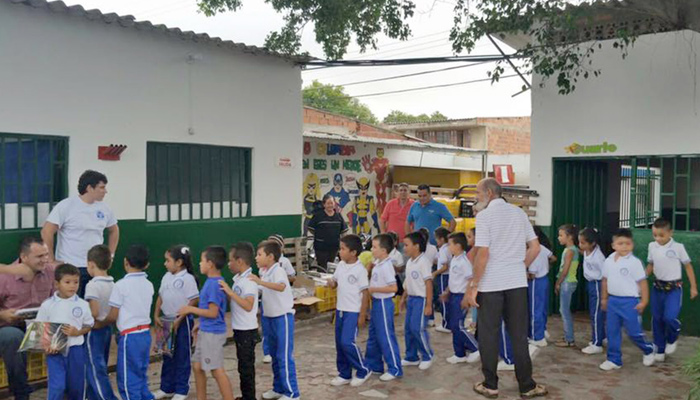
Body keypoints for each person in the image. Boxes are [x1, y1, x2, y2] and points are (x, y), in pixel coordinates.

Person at [466, 178, 546, 399]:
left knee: (489, 335)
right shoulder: (519, 213)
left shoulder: (484, 217)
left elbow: (483, 254)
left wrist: (474, 286)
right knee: (519, 336)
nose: (476, 198)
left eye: (478, 194)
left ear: (490, 193)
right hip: (517, 284)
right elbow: (536, 247)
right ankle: (527, 386)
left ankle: (490, 384)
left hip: (491, 284)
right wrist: (520, 267)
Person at [41, 170, 119, 298]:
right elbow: (47, 231)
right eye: (102, 187)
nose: (105, 191)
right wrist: (50, 259)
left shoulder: (105, 208)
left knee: (94, 306)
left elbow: (114, 230)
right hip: (71, 266)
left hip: (96, 267)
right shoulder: (66, 206)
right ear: (89, 188)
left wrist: (110, 254)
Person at [0, 237, 54, 400]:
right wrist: (2, 314)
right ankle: (22, 393)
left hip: (37, 324)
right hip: (8, 327)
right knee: (13, 338)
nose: (45, 259)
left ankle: (67, 390)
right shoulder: (5, 277)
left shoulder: (50, 272)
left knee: (69, 333)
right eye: (39, 256)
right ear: (24, 257)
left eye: (46, 255)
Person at [178, 247, 234, 400]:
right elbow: (209, 312)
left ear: (210, 263)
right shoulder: (211, 282)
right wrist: (200, 324)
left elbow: (213, 312)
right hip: (206, 330)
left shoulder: (214, 285)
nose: (199, 263)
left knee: (216, 370)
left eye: (202, 260)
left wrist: (190, 309)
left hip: (212, 334)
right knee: (197, 366)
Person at [599, 229, 655, 371]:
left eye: (627, 243)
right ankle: (614, 359)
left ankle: (648, 349)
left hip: (630, 302)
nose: (624, 246)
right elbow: (605, 280)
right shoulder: (609, 261)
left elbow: (643, 283)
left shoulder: (634, 263)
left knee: (633, 332)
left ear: (632, 245)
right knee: (612, 331)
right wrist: (604, 298)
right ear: (613, 245)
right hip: (613, 301)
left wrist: (644, 301)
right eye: (620, 243)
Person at [249, 241, 299, 400]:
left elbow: (281, 287)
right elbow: (261, 290)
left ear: (270, 257)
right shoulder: (265, 272)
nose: (256, 258)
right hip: (269, 317)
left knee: (284, 356)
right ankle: (278, 388)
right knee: (275, 356)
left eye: (259, 254)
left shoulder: (278, 270)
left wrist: (259, 282)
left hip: (282, 317)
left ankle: (292, 393)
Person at [36, 263, 93, 400]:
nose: (72, 286)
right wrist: (46, 346)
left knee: (76, 386)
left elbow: (89, 325)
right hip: (55, 353)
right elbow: (39, 328)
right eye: (67, 282)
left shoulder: (83, 304)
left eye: (76, 282)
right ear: (56, 284)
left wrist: (77, 332)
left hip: (76, 350)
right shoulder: (47, 305)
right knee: (58, 387)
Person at [104, 244, 154, 400]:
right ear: (147, 265)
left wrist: (98, 323)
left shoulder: (120, 285)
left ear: (125, 262)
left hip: (129, 337)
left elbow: (113, 316)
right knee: (141, 376)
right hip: (145, 334)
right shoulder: (149, 284)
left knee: (127, 381)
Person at [646, 218, 698, 361]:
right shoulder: (652, 246)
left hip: (674, 289)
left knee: (669, 317)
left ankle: (673, 337)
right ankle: (660, 349)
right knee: (657, 319)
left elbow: (688, 266)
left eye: (661, 235)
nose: (658, 238)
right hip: (657, 288)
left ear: (670, 233)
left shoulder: (678, 247)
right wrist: (642, 277)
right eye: (655, 235)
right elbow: (650, 265)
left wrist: (693, 287)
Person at [153, 245, 199, 400]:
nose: (165, 264)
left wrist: (180, 318)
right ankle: (166, 387)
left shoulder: (188, 279)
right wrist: (156, 314)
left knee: (182, 355)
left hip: (182, 321)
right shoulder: (166, 276)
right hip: (166, 320)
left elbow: (194, 299)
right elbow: (160, 296)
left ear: (179, 262)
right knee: (167, 355)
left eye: (168, 260)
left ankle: (181, 389)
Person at [326, 235, 371, 387]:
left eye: (343, 249)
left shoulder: (360, 270)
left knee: (347, 342)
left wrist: (362, 314)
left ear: (353, 252)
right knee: (339, 343)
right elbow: (335, 282)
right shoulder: (341, 265)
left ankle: (363, 369)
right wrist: (331, 282)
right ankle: (344, 373)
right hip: (341, 310)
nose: (340, 252)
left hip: (353, 311)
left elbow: (365, 293)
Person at [219, 242, 259, 400]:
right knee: (243, 366)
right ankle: (246, 396)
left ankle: (249, 397)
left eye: (231, 260)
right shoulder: (239, 279)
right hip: (239, 329)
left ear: (240, 261)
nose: (229, 264)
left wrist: (229, 292)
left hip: (247, 331)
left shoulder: (249, 281)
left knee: (246, 368)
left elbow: (248, 305)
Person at [365, 234, 403, 382]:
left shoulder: (387, 266)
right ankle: (374, 364)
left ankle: (395, 368)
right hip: (376, 303)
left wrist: (373, 289)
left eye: (375, 247)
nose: (371, 249)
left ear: (384, 250)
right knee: (373, 334)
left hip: (383, 303)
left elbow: (393, 288)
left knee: (386, 335)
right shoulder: (378, 264)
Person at [84, 245, 118, 400]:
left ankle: (107, 397)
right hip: (107, 329)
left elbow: (94, 312)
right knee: (100, 364)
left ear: (91, 264)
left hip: (94, 330)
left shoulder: (92, 285)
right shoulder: (113, 284)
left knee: (94, 368)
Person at [441, 232, 480, 364]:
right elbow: (454, 279)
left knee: (458, 325)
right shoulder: (454, 260)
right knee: (453, 325)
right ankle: (459, 353)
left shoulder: (464, 262)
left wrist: (466, 297)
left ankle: (475, 348)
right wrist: (447, 291)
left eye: (450, 244)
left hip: (461, 296)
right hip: (453, 295)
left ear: (458, 245)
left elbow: (471, 279)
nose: (448, 247)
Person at [400, 231, 434, 370]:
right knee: (408, 328)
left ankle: (427, 356)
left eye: (407, 245)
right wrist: (403, 298)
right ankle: (411, 356)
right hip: (412, 299)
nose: (404, 248)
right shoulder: (410, 262)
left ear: (417, 246)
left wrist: (429, 305)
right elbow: (408, 283)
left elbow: (428, 284)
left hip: (421, 300)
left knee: (417, 328)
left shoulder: (423, 262)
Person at [579, 227, 607, 355]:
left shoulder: (599, 257)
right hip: (591, 283)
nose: (580, 245)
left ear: (593, 243)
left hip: (598, 284)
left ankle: (597, 344)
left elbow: (605, 275)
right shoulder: (587, 251)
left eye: (583, 243)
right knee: (595, 313)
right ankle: (602, 337)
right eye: (579, 242)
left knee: (596, 314)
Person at [527, 228, 556, 348]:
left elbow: (532, 274)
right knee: (541, 308)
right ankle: (542, 330)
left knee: (534, 310)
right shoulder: (543, 248)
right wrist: (547, 266)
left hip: (535, 282)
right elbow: (553, 258)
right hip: (544, 280)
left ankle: (537, 337)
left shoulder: (533, 251)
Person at [308, 194, 350, 270]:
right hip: (320, 248)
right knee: (322, 267)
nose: (330, 205)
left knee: (331, 267)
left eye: (332, 203)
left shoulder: (338, 216)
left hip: (334, 247)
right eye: (328, 203)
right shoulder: (318, 216)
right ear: (324, 204)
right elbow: (311, 229)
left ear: (334, 204)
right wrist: (320, 236)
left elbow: (343, 231)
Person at [554, 224, 579, 348]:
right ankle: (567, 336)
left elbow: (565, 270)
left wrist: (558, 283)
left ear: (570, 237)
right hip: (568, 282)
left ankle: (569, 339)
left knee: (564, 311)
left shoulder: (570, 251)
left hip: (567, 282)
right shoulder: (571, 249)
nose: (559, 238)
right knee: (563, 310)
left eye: (561, 235)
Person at [433, 227, 452, 334]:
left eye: (436, 239)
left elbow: (445, 266)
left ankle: (446, 324)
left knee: (444, 300)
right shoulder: (445, 249)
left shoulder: (444, 250)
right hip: (445, 276)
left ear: (441, 239)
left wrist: (434, 273)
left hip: (443, 276)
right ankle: (447, 323)